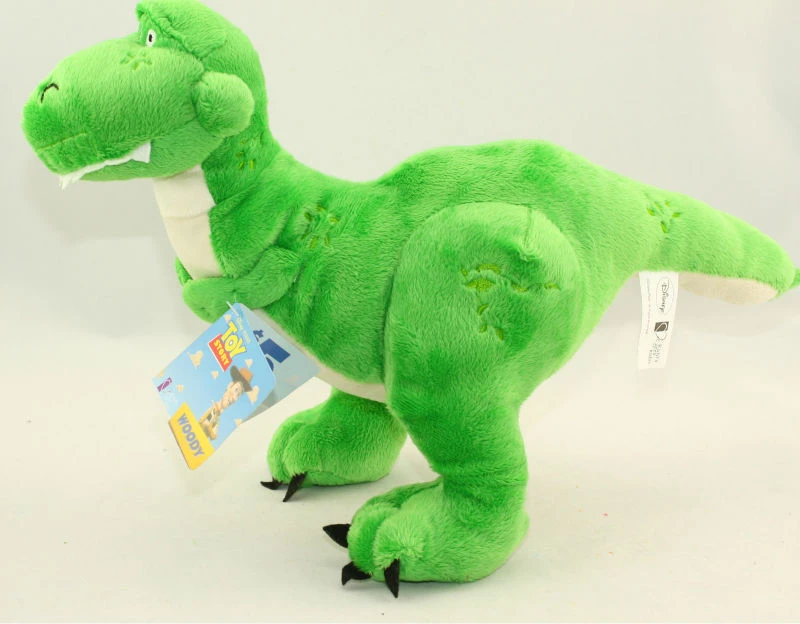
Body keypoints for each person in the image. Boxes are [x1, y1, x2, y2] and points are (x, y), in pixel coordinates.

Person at [197, 366, 253, 440]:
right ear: (230, 386)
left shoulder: (217, 417)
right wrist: (210, 429)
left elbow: (214, 436)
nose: (235, 398)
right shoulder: (213, 410)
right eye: (236, 390)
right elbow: (204, 423)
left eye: (238, 395)